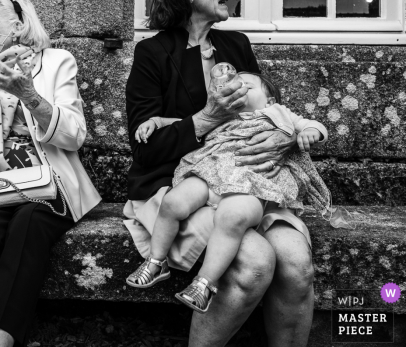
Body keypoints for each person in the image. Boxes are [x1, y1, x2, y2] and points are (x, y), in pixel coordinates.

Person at [124, 0, 315, 347]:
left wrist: (280, 138)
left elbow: (265, 108)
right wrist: (207, 118)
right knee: (256, 264)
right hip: (179, 185)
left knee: (297, 265)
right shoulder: (152, 53)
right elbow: (146, 150)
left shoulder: (236, 45)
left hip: (245, 182)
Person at [0, 0, 101, 347]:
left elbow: (74, 136)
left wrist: (29, 94)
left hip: (49, 182)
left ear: (16, 26)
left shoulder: (57, 61)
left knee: (28, 222)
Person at [127, 72, 331, 316]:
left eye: (247, 86)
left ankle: (204, 284)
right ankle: (156, 262)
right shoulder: (223, 113)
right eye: (235, 85)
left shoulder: (280, 114)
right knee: (173, 202)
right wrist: (158, 121)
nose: (239, 88)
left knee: (231, 217)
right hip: (211, 173)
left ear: (270, 101)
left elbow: (313, 125)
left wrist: (310, 132)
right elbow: (184, 121)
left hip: (251, 184)